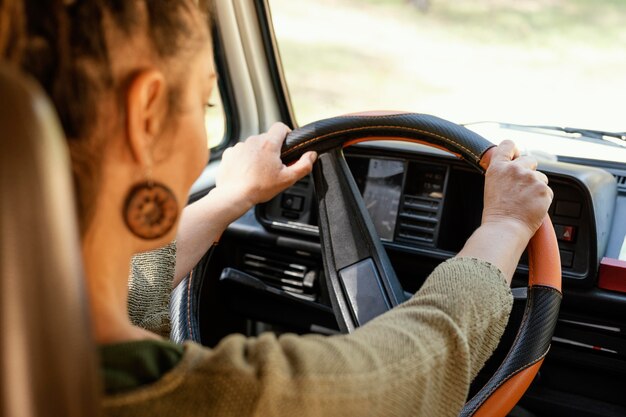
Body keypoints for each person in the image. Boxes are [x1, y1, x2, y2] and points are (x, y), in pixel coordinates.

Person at [16, 1, 553, 416]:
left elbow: (117, 290)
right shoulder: (207, 397)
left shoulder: (31, 326)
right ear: (146, 115)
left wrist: (229, 199)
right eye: (206, 102)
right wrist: (505, 225)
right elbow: (410, 374)